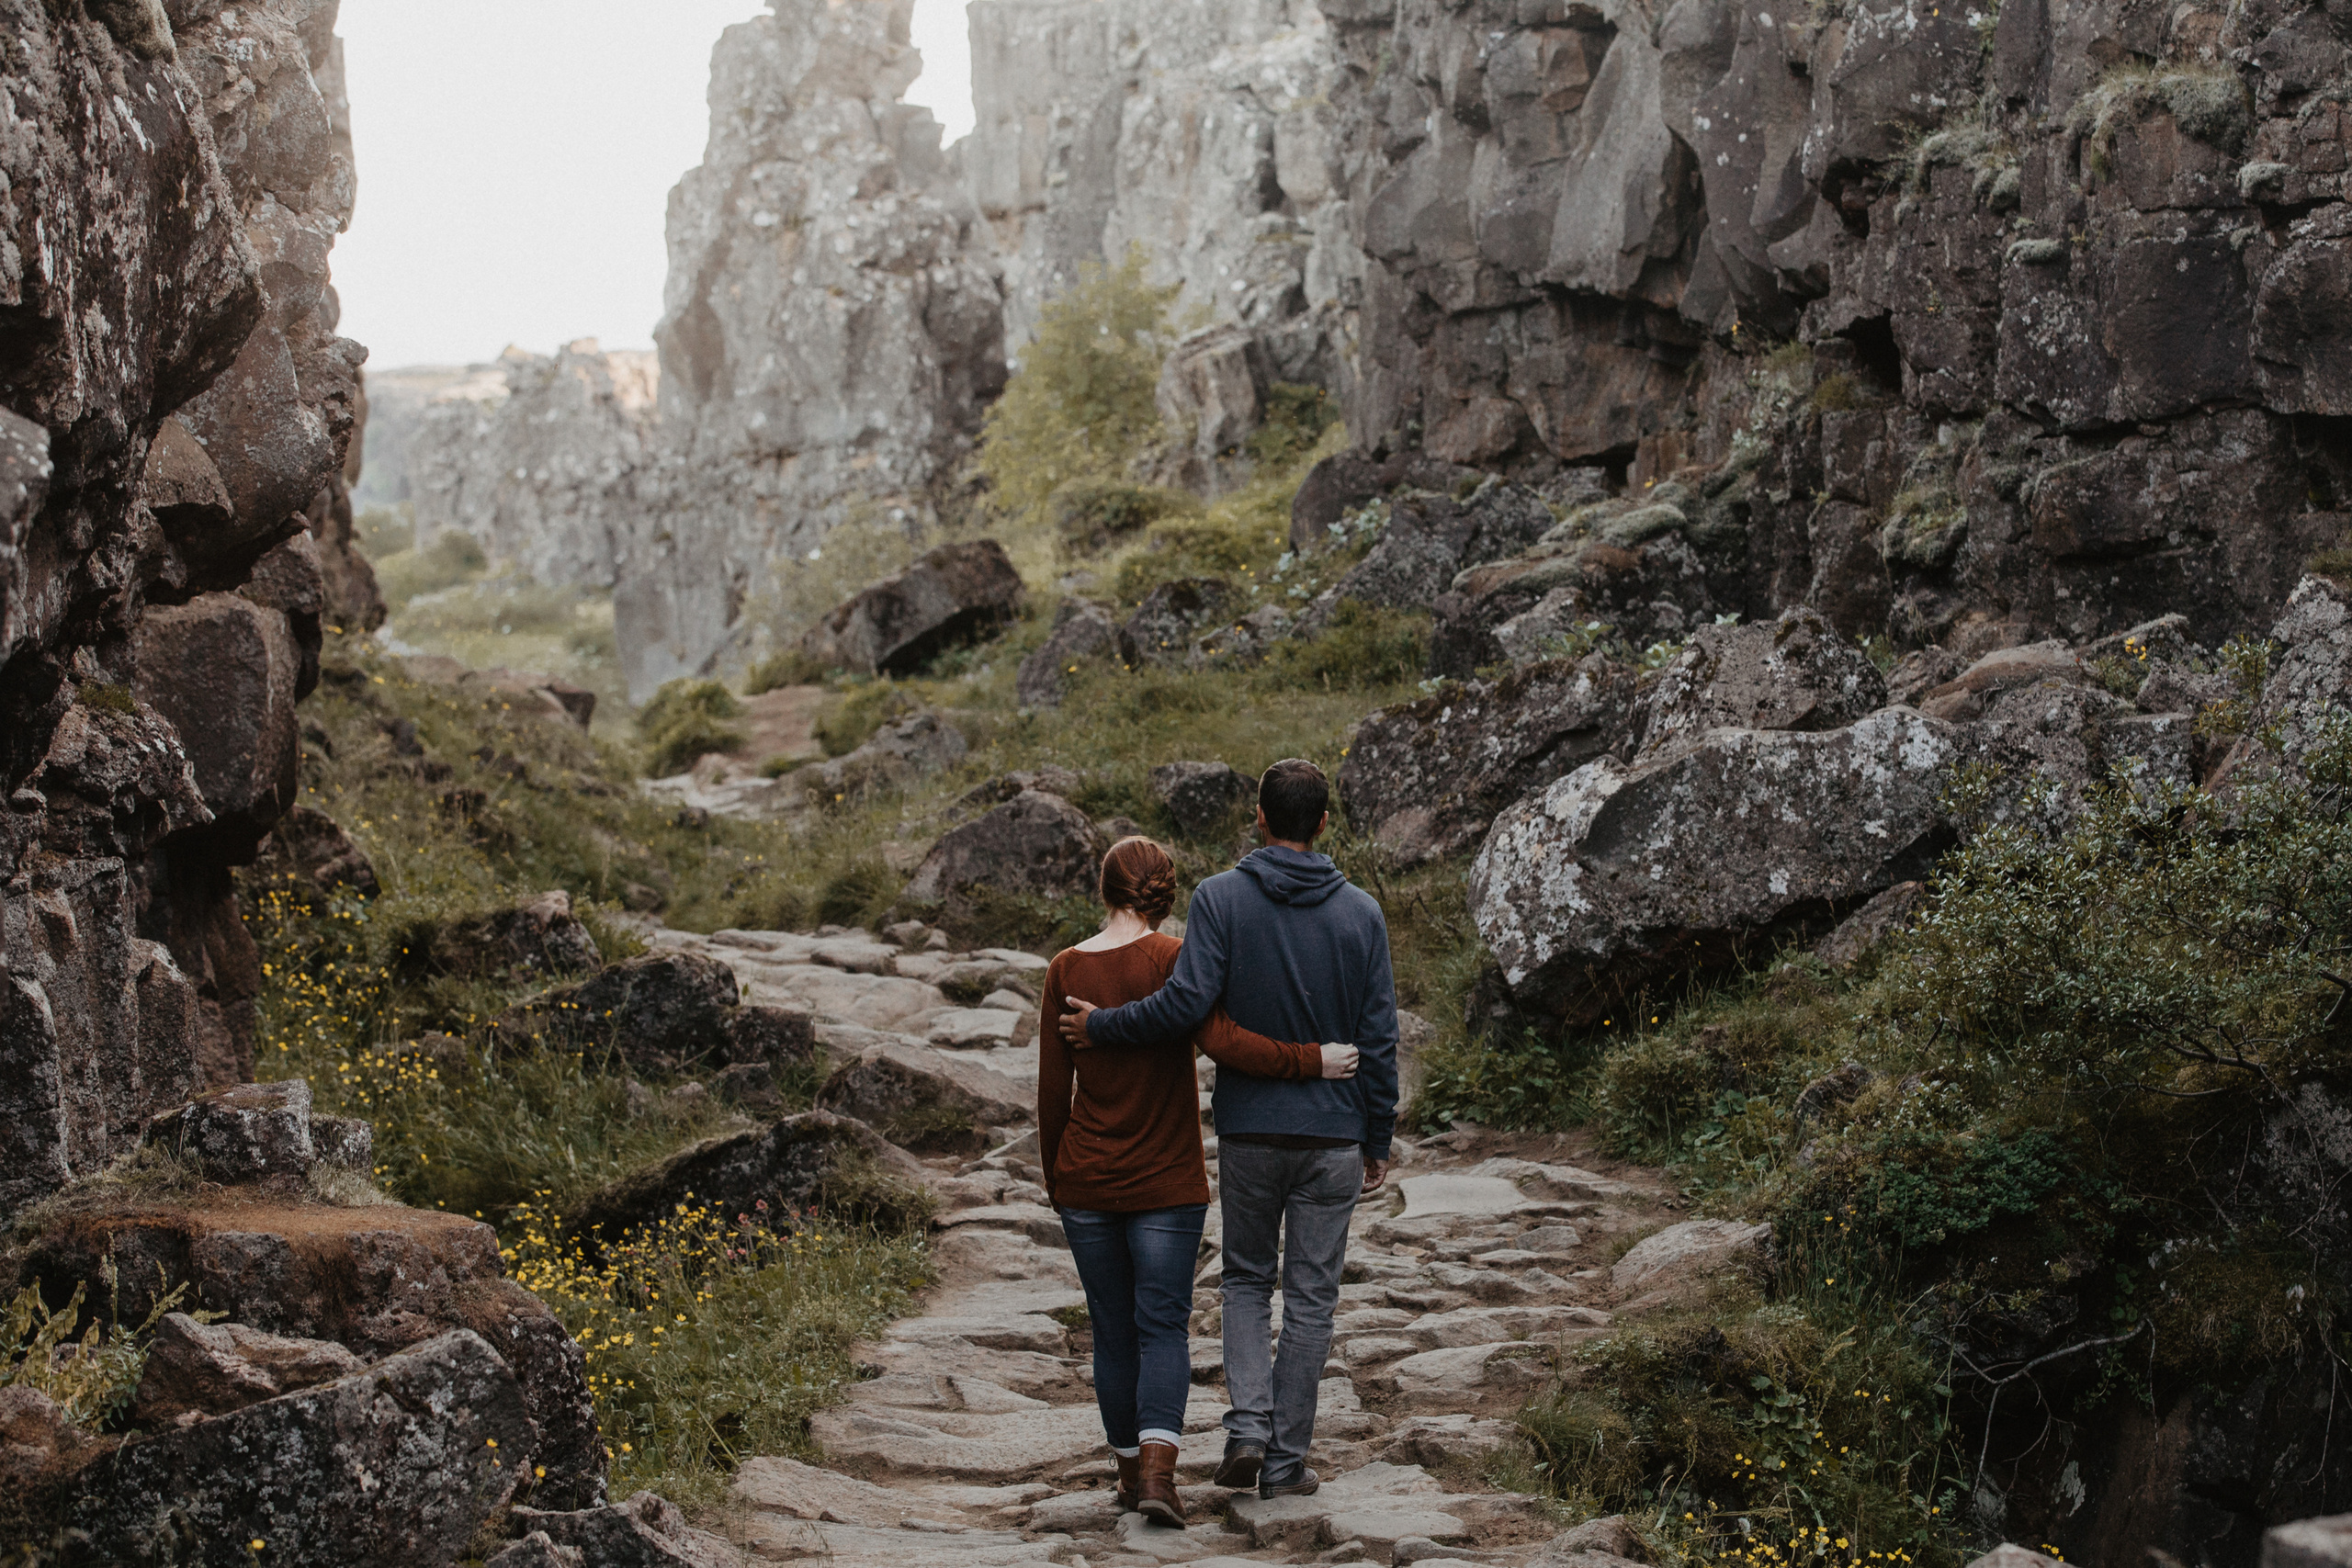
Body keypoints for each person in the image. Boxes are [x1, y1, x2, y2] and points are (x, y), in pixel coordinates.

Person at [1062, 758, 1398, 1502]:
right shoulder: (1363, 914)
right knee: (1312, 1297)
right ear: (1322, 822)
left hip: (1250, 1131)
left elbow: (1186, 1007)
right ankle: (1284, 1463)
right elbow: (1379, 1037)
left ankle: (1248, 1425)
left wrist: (1102, 1026)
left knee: (1246, 1280)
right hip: (1336, 1134)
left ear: (1258, 816)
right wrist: (1378, 1135)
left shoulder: (1219, 900)